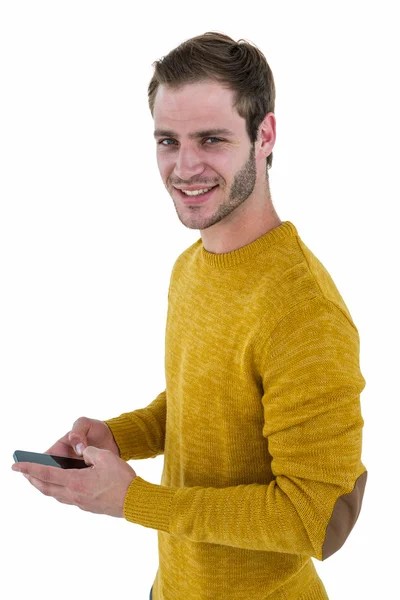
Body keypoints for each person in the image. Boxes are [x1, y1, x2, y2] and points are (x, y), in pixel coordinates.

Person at [12, 32, 368, 600]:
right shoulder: (191, 266)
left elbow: (314, 517)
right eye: (167, 140)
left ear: (265, 135)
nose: (184, 166)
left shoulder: (304, 311)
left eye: (211, 139)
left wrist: (133, 500)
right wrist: (117, 436)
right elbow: (203, 403)